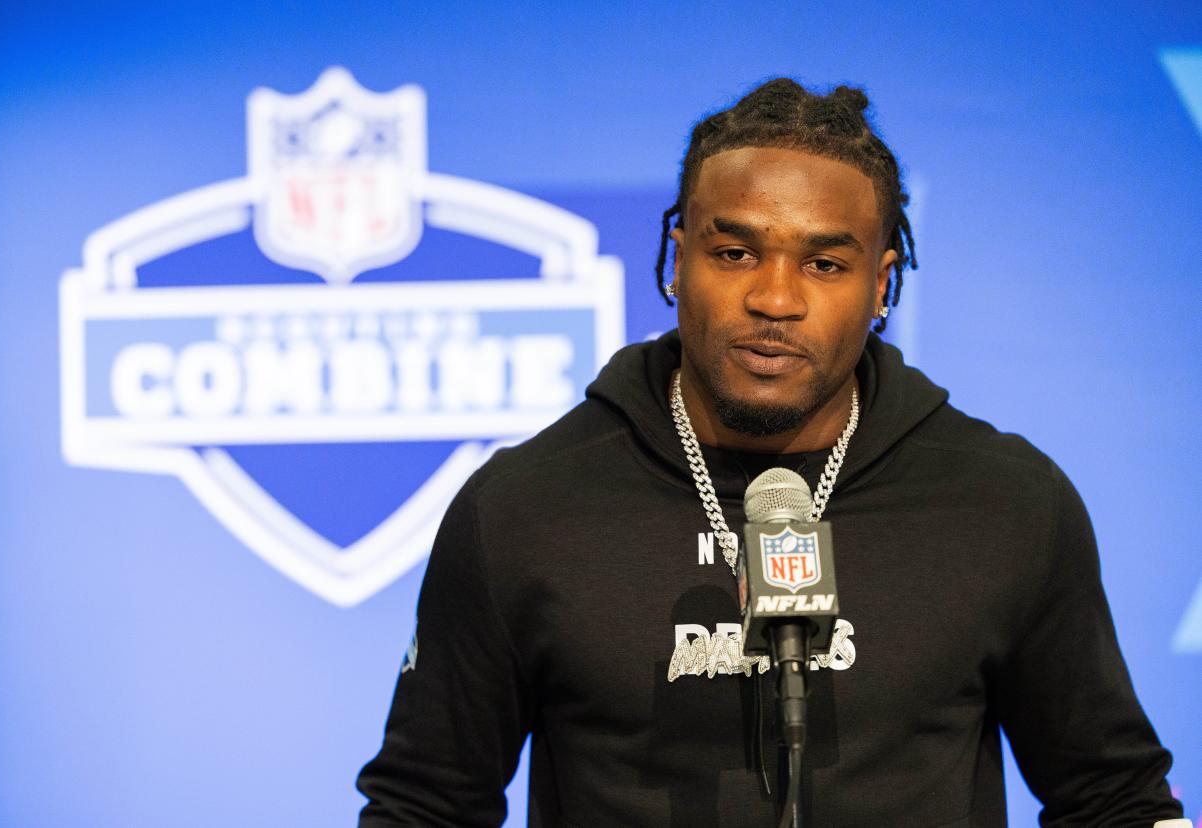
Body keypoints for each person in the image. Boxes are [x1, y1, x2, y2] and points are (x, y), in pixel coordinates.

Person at [356, 79, 1185, 827]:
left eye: (825, 263)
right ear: (677, 260)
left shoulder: (1006, 503)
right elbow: (425, 806)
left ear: (882, 286)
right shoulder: (523, 509)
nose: (775, 299)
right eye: (735, 252)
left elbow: (1111, 798)